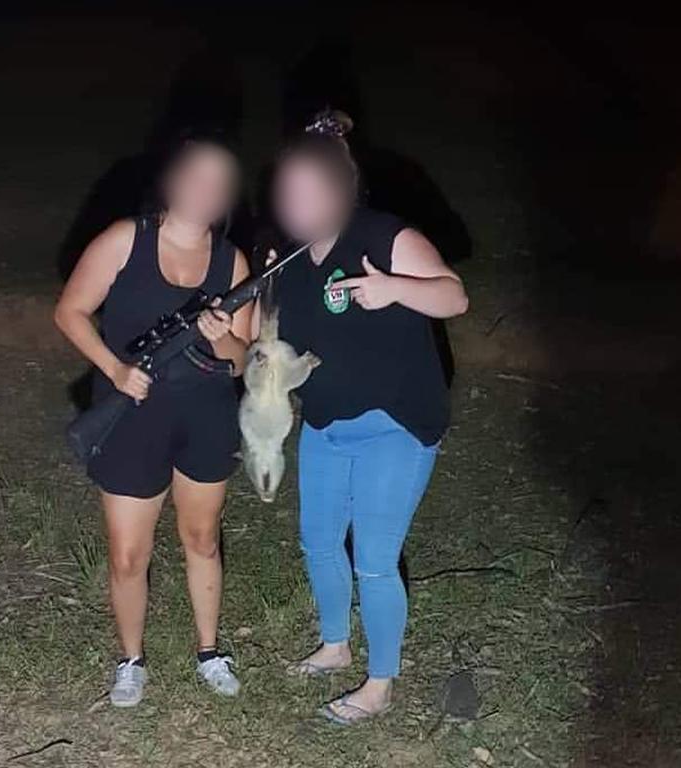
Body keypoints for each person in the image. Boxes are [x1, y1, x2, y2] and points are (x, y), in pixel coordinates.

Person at [269, 110, 469, 724]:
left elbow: (454, 295)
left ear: (340, 189)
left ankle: (379, 685)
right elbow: (274, 340)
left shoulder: (385, 237)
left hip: (394, 425)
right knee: (318, 541)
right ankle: (334, 645)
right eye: (287, 190)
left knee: (375, 559)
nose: (296, 202)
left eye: (309, 190)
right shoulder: (289, 260)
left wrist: (396, 288)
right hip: (326, 425)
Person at [54, 134, 252, 707]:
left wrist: (224, 341)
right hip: (131, 417)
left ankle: (210, 651)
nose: (204, 190)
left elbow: (245, 355)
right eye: (196, 176)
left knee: (201, 538)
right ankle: (131, 661)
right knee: (127, 554)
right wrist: (115, 370)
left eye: (218, 182)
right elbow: (70, 311)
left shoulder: (231, 259)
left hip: (207, 417)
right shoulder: (125, 239)